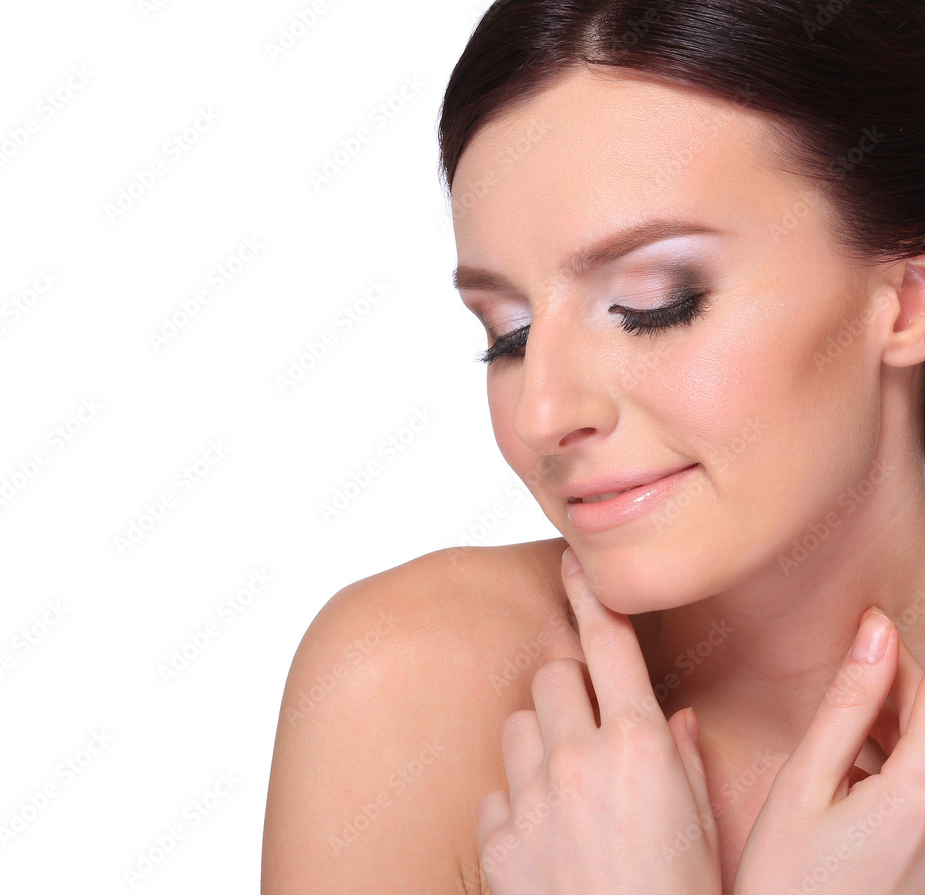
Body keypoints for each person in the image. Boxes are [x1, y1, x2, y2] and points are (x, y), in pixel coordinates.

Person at [262, 1, 925, 891]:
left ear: (906, 300)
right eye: (509, 334)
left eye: (654, 303)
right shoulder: (409, 687)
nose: (541, 413)